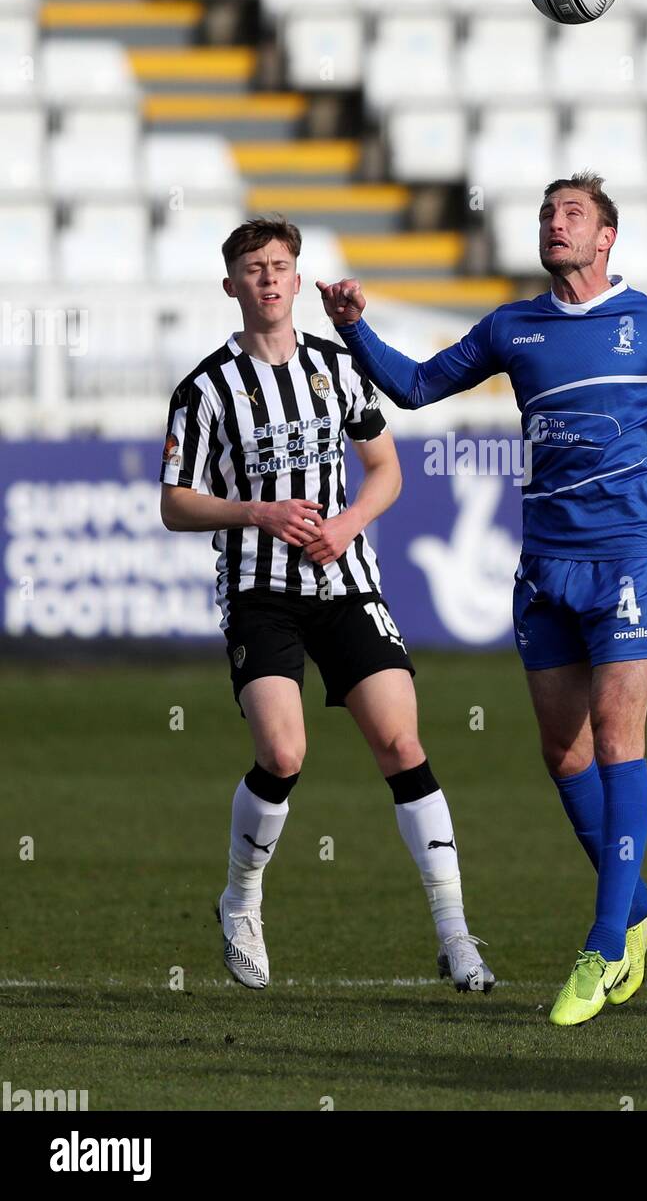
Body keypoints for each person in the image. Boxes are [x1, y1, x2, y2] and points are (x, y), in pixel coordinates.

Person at [318, 172, 647, 1026]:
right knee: (564, 755)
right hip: (544, 567)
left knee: (618, 739)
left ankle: (604, 944)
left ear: (606, 236)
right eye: (546, 213)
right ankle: (640, 905)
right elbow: (416, 386)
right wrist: (355, 329)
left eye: (571, 213)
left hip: (626, 564)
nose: (554, 224)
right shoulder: (514, 325)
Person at [159, 216, 494, 994]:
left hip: (345, 584)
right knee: (283, 754)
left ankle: (453, 932)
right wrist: (258, 513)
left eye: (280, 265)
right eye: (253, 267)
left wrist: (345, 524)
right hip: (260, 591)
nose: (269, 278)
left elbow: (385, 469)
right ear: (231, 285)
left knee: (400, 743)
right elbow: (175, 504)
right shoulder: (206, 389)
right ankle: (241, 902)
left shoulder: (334, 369)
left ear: (298, 278)